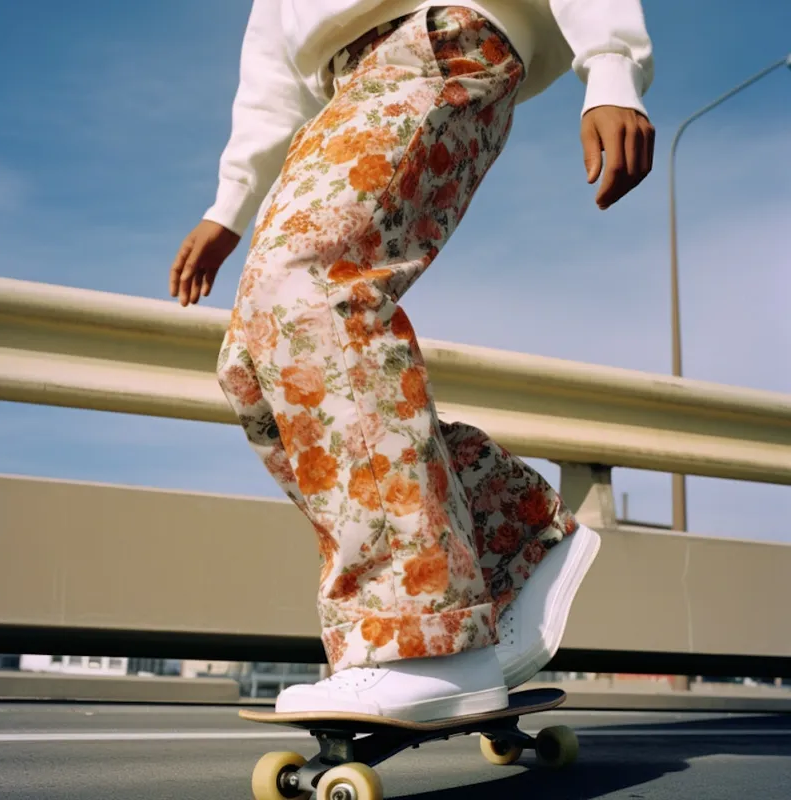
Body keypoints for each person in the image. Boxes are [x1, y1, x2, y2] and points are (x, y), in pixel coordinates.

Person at [169, 0, 654, 722]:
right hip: (341, 87)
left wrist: (611, 63)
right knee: (255, 363)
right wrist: (230, 202)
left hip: (439, 35)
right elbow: (274, 45)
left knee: (309, 289)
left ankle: (423, 640)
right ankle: (511, 539)